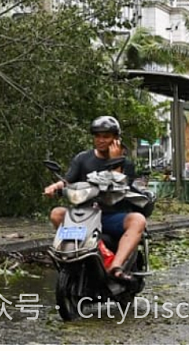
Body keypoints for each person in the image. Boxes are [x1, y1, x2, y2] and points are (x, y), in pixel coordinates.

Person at [44, 115, 147, 282]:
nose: (101, 140)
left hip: (112, 217)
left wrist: (115, 161)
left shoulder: (126, 163)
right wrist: (54, 187)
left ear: (116, 139)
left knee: (138, 220)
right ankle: (72, 253)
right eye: (97, 136)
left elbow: (118, 184)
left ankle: (116, 266)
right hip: (85, 216)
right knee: (57, 213)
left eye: (106, 136)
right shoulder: (82, 158)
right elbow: (67, 180)